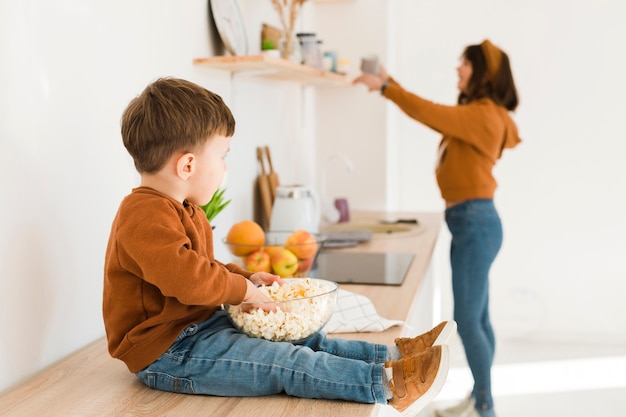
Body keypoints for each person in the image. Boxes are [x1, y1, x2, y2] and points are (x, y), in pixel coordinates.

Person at [103, 77, 456, 416]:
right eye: (222, 156)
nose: (224, 168)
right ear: (188, 165)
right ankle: (389, 384)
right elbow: (187, 278)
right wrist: (244, 291)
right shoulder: (143, 214)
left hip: (198, 329)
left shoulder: (183, 209)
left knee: (308, 340)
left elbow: (200, 266)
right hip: (169, 352)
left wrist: (246, 278)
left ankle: (394, 355)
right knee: (288, 362)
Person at [354, 39, 521, 417]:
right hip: (471, 223)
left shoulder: (484, 115)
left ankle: (485, 406)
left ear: (483, 74)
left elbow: (429, 113)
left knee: (469, 320)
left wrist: (386, 88)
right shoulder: (481, 114)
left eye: (465, 64)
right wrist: (388, 80)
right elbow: (435, 114)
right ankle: (481, 397)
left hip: (476, 224)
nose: (458, 69)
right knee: (477, 318)